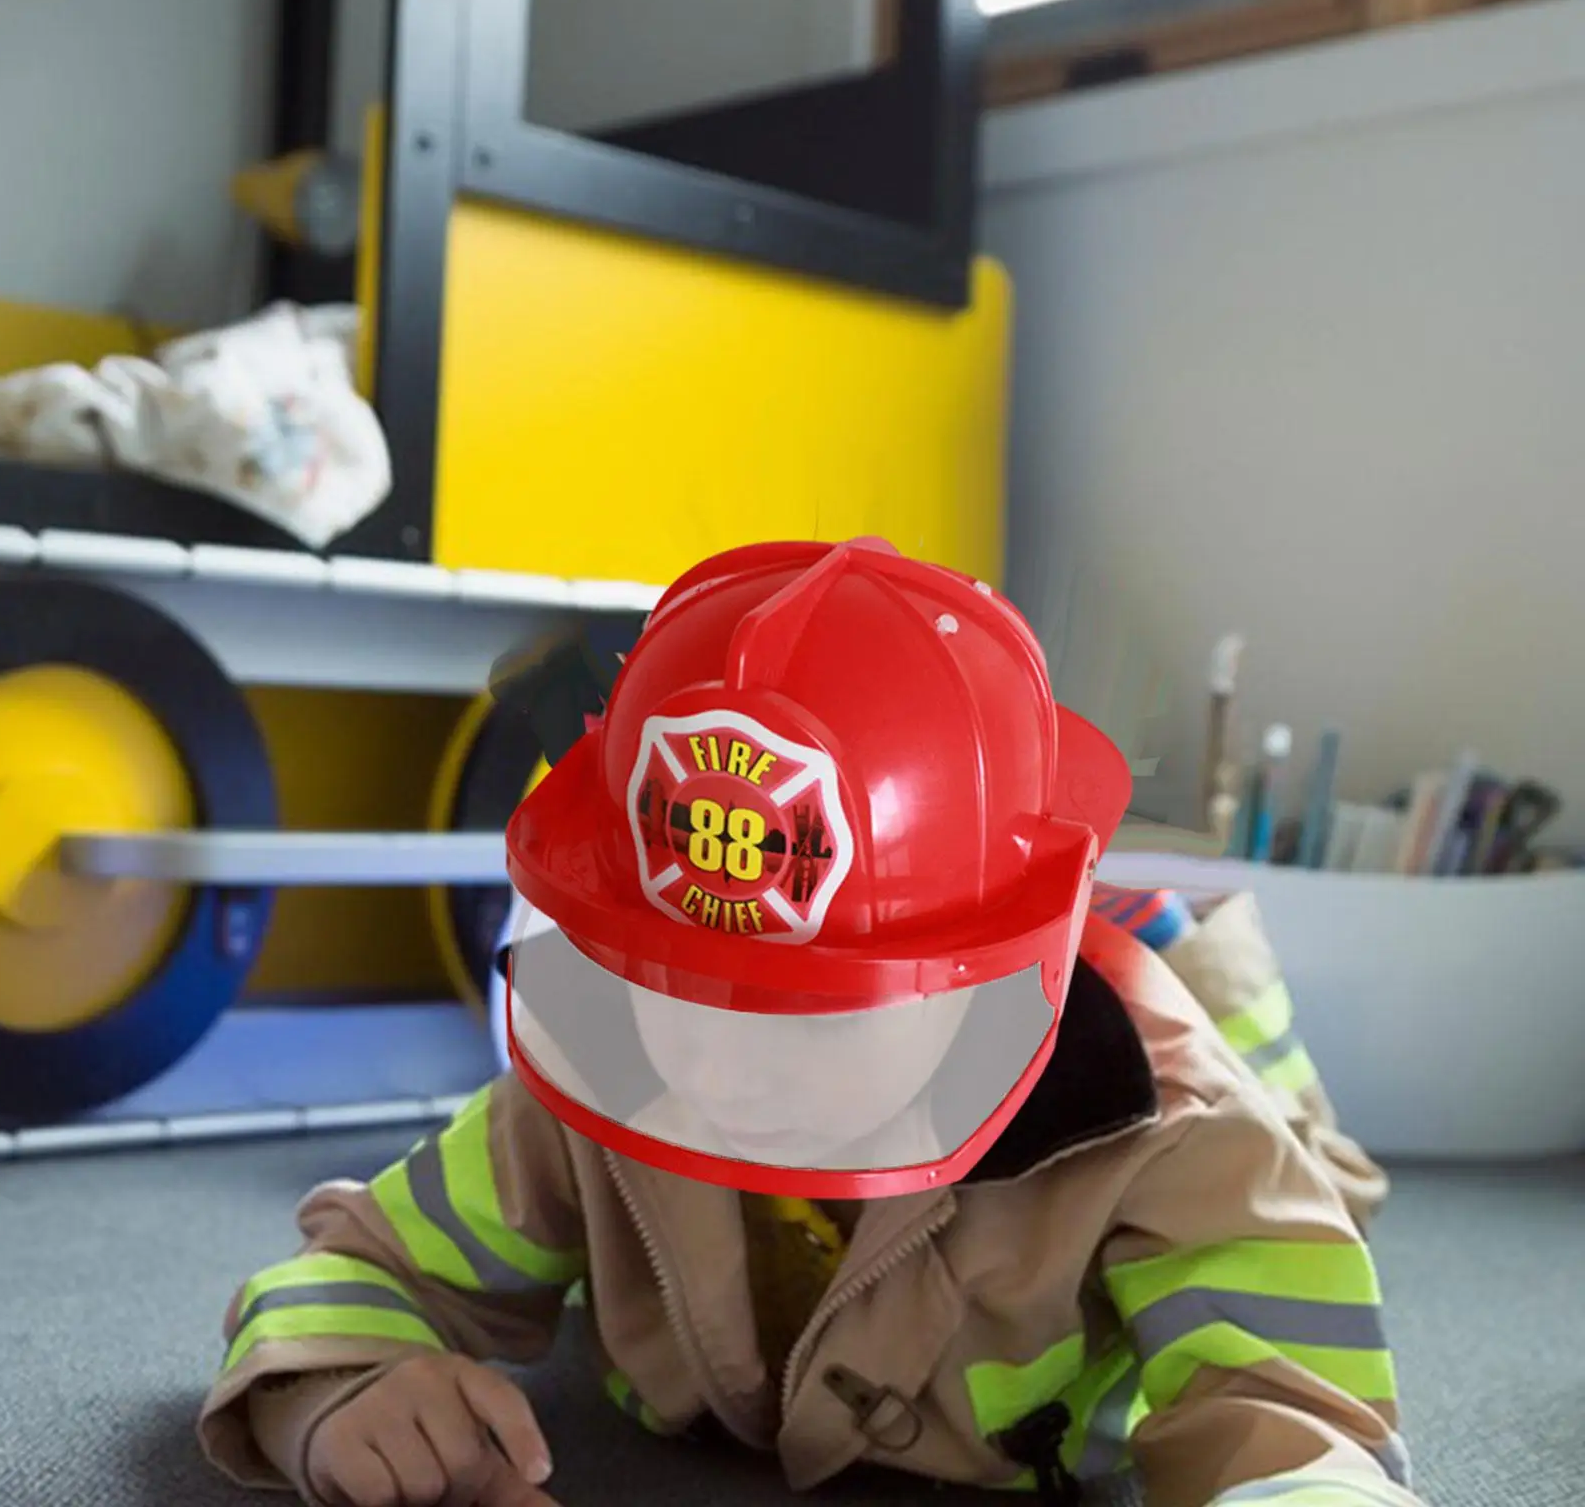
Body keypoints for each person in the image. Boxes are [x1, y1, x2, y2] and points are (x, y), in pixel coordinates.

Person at [199, 538, 1421, 1507]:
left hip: (1155, 1027)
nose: (725, 1063)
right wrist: (334, 1394)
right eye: (674, 984)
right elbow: (359, 1265)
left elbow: (1295, 1419)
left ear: (978, 990)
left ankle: (1161, 934)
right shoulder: (595, 1079)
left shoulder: (1172, 1137)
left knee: (1311, 1167)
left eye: (815, 1014)